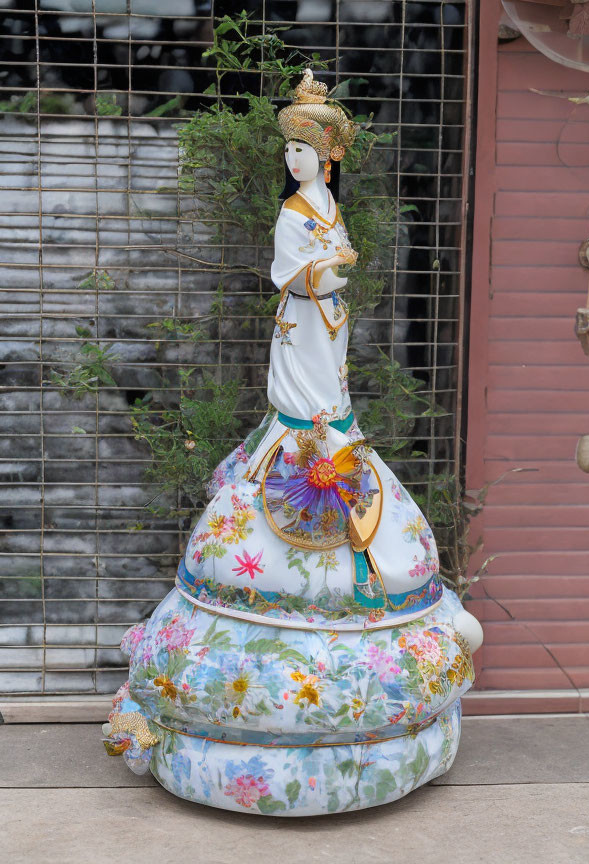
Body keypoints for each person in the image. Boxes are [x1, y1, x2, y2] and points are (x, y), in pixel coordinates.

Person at [102, 68, 483, 816]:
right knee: (304, 408)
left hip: (327, 338)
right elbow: (294, 274)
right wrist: (330, 268)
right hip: (304, 326)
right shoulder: (293, 216)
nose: (296, 165)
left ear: (327, 156)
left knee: (330, 405)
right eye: (291, 155)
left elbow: (332, 269)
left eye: (305, 154)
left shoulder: (327, 204)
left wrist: (337, 266)